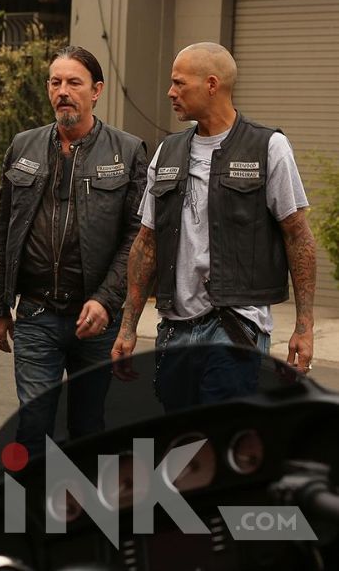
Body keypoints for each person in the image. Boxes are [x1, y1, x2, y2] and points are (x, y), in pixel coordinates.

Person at [111, 42, 317, 407]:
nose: (170, 92)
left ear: (211, 84)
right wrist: (128, 326)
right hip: (175, 331)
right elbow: (147, 242)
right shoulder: (167, 152)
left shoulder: (268, 147)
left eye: (179, 83)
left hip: (236, 328)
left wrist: (304, 327)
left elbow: (297, 235)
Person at [0, 46, 147, 456]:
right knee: (34, 424)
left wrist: (107, 300)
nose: (63, 92)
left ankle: (81, 497)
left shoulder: (127, 151)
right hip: (36, 313)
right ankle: (34, 499)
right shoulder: (23, 146)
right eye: (55, 83)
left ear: (97, 91)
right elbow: (2, 230)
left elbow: (137, 238)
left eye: (74, 83)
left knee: (87, 427)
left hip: (97, 321)